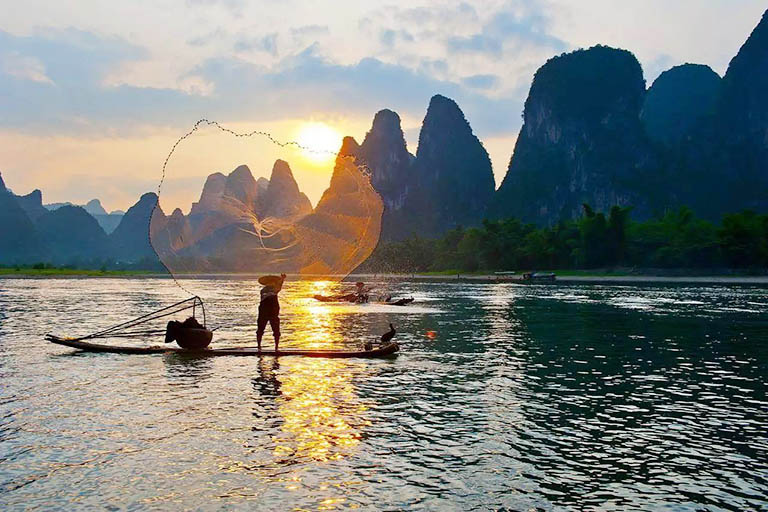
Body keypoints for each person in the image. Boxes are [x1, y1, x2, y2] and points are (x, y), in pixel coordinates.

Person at [257, 273, 286, 352]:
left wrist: (282, 279)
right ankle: (259, 346)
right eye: (271, 282)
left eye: (273, 282)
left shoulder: (273, 289)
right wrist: (282, 279)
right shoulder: (265, 290)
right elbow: (278, 287)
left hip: (272, 312)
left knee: (275, 330)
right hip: (265, 312)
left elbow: (279, 286)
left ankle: (276, 347)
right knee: (261, 329)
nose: (272, 283)